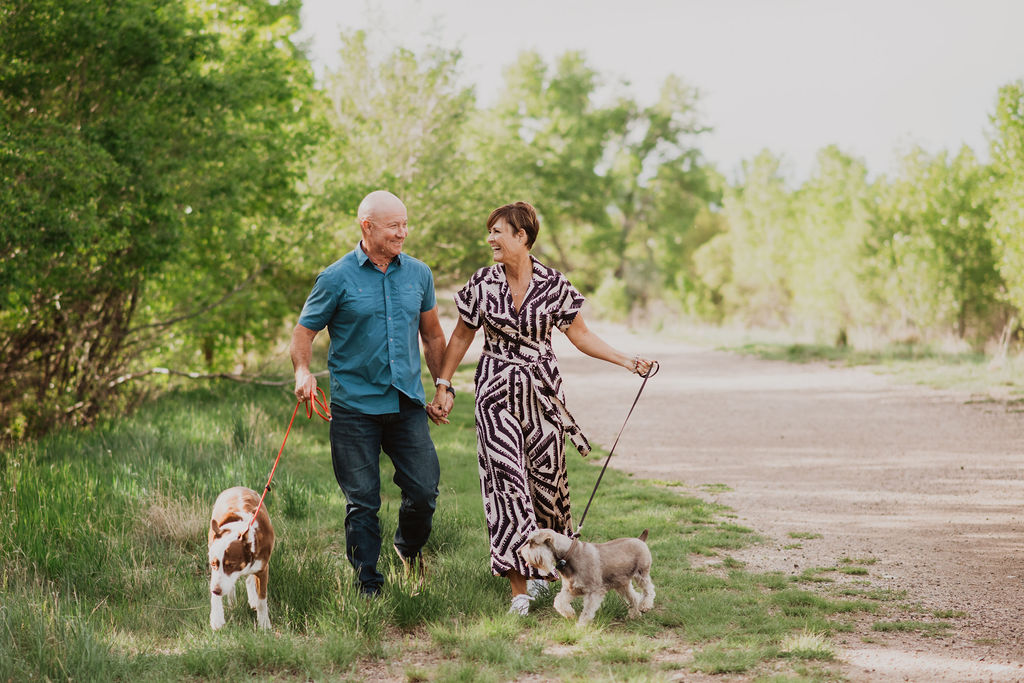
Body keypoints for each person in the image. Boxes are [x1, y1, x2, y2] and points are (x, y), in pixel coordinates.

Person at [429, 201, 655, 615]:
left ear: (523, 237)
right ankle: (520, 589)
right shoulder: (481, 283)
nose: (491, 238)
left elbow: (581, 336)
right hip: (494, 394)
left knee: (548, 494)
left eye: (499, 231)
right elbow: (460, 337)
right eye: (490, 231)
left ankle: (559, 576)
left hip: (543, 397)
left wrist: (627, 360)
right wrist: (443, 384)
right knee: (506, 489)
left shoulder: (553, 285)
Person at [290, 190, 447, 597]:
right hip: (354, 408)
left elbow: (431, 335)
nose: (403, 233)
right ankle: (368, 585)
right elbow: (304, 332)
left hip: (406, 403)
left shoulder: (418, 274)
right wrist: (303, 372)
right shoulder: (336, 277)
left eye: (405, 224)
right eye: (394, 226)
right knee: (362, 502)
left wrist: (443, 385)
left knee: (424, 491)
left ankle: (406, 549)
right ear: (367, 227)